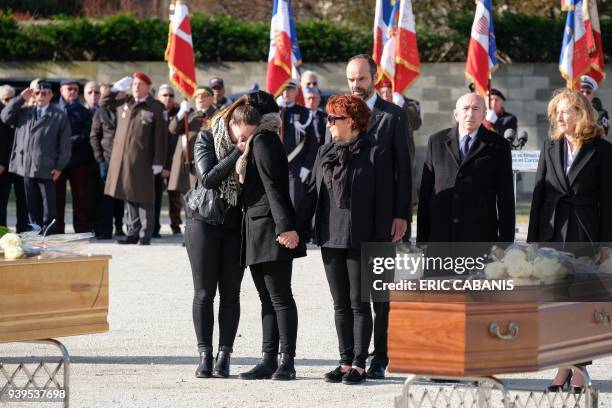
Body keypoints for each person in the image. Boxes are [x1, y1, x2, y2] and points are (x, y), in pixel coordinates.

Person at [298, 95, 393, 385]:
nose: (328, 124)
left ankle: (360, 363)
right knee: (339, 303)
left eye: (332, 119)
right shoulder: (324, 150)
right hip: (330, 236)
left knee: (359, 303)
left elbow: (384, 201)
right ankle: (344, 360)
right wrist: (294, 228)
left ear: (351, 121)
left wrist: (378, 243)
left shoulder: (376, 153)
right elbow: (312, 193)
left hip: (362, 239)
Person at [527, 88, 612, 392]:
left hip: (584, 232)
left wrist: (605, 243)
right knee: (556, 305)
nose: (559, 117)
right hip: (551, 232)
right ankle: (564, 367)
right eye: (556, 112)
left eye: (565, 111)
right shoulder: (550, 146)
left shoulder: (602, 150)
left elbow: (608, 200)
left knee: (580, 304)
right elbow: (538, 193)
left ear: (581, 113)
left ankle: (576, 371)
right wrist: (533, 238)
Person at [345, 54, 411, 379]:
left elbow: (405, 171)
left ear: (374, 77)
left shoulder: (394, 117)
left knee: (380, 293)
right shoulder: (341, 114)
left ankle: (381, 356)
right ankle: (355, 356)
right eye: (351, 80)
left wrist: (401, 214)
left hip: (385, 220)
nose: (355, 86)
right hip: (351, 222)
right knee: (355, 295)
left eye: (360, 79)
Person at [185, 96, 261, 379]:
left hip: (234, 225)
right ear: (232, 125)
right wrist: (236, 153)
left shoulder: (253, 144)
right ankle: (204, 354)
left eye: (250, 138)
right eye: (242, 136)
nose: (246, 142)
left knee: (230, 293)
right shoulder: (206, 138)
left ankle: (224, 355)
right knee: (204, 292)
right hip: (203, 220)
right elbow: (208, 179)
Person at [237, 90, 305, 381]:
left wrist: (285, 228)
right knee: (267, 298)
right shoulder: (258, 140)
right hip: (257, 227)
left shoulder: (264, 140)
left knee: (280, 297)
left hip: (270, 228)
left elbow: (274, 187)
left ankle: (286, 360)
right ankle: (268, 359)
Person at [417, 92, 515, 243]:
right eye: (466, 108)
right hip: (441, 238)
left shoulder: (499, 145)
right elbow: (426, 193)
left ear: (484, 114)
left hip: (480, 238)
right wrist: (422, 239)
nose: (470, 114)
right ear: (456, 114)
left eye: (476, 109)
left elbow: (505, 198)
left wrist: (504, 244)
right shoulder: (436, 141)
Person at [101, 72, 166, 245]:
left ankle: (145, 234)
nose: (136, 87)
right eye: (134, 84)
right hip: (123, 159)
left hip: (144, 159)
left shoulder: (155, 107)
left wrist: (159, 161)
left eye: (140, 84)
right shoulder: (126, 102)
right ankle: (133, 232)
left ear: (148, 87)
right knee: (129, 195)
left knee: (144, 198)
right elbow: (103, 103)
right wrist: (115, 89)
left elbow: (161, 136)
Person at [0, 81, 71, 232]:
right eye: (37, 93)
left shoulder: (59, 115)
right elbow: (5, 116)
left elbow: (65, 145)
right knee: (31, 208)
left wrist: (59, 167)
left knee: (48, 208)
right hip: (26, 166)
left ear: (51, 95)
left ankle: (49, 236)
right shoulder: (25, 112)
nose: (40, 96)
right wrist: (20, 98)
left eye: (44, 93)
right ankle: (35, 236)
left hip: (47, 168)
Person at [168, 86, 217, 234]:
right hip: (186, 164)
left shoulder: (216, 115)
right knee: (187, 199)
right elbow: (173, 129)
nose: (200, 99)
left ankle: (200, 230)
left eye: (204, 95)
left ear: (211, 98)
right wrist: (180, 114)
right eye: (197, 96)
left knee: (202, 199)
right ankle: (191, 231)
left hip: (204, 164)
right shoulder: (189, 114)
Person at [378, 80, 419, 241]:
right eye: (383, 91)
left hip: (403, 154)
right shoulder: (376, 107)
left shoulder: (411, 104)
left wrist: (403, 107)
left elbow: (416, 123)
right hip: (385, 158)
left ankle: (406, 238)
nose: (387, 94)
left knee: (405, 194)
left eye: (389, 91)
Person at [55, 78, 96, 234]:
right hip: (58, 161)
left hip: (78, 161)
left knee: (80, 196)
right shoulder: (54, 109)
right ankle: (57, 229)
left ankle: (80, 228)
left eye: (75, 89)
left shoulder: (84, 112)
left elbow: (85, 135)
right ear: (61, 91)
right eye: (69, 89)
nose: (72, 92)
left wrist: (66, 142)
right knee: (58, 197)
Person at [90, 83, 125, 239]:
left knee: (120, 197)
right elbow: (94, 136)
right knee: (105, 198)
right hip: (106, 160)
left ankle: (119, 226)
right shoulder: (100, 112)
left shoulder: (123, 110)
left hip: (122, 161)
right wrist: (100, 159)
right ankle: (104, 229)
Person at [279, 79, 318, 208]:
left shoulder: (304, 113)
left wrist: (307, 165)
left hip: (296, 166)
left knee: (294, 205)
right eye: (284, 90)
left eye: (290, 90)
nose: (286, 93)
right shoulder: (275, 112)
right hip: (276, 164)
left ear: (296, 92)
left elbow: (312, 142)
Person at [0, 85, 28, 232]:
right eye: (6, 99)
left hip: (20, 164)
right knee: (1, 201)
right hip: (3, 165)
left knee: (24, 200)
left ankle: (24, 230)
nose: (10, 102)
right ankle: (2, 232)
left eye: (12, 98)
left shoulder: (22, 112)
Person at [153, 84, 179, 237]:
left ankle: (175, 225)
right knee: (155, 197)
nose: (168, 98)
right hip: (157, 162)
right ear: (158, 97)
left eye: (170, 95)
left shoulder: (179, 114)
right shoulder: (154, 111)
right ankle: (154, 226)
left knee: (175, 196)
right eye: (164, 95)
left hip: (174, 161)